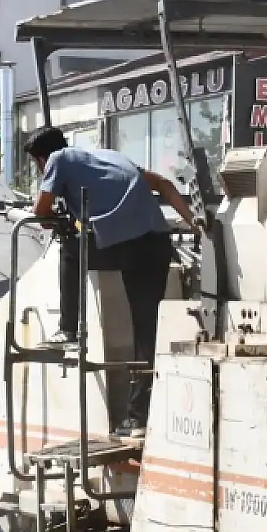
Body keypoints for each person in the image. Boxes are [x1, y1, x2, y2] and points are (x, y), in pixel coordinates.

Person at [26, 126, 198, 437]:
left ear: (41, 160)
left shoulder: (58, 160)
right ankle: (138, 418)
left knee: (70, 247)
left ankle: (68, 329)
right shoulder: (109, 157)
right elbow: (164, 185)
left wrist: (51, 217)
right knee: (146, 331)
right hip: (155, 245)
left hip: (123, 245)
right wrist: (193, 222)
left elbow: (40, 211)